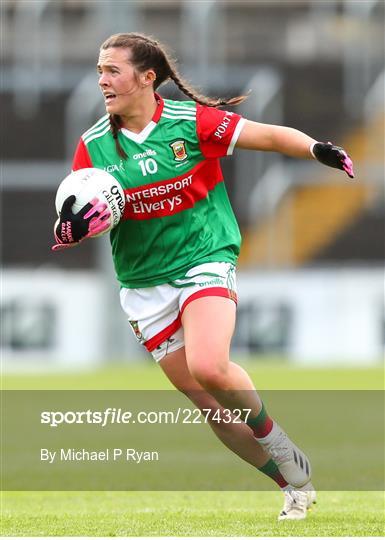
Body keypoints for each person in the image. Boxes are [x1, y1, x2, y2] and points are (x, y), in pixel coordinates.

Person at [52, 33, 354, 521]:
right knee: (210, 406)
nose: (102, 80)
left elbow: (271, 135)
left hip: (203, 258)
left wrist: (316, 149)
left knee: (210, 366)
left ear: (148, 77)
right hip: (143, 285)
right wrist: (70, 230)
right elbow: (84, 212)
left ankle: (275, 439)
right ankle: (291, 483)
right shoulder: (93, 147)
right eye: (100, 71)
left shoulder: (190, 123)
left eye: (113, 70)